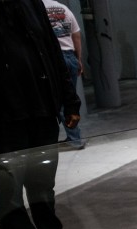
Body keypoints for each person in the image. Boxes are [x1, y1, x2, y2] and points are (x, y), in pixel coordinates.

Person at [0, 0, 94, 229]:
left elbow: (53, 52)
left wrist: (70, 100)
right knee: (9, 190)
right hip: (2, 118)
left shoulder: (31, 4)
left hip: (41, 110)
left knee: (42, 183)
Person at [43, 0, 86, 150]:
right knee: (70, 97)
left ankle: (74, 139)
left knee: (56, 100)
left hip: (51, 58)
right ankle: (74, 137)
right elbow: (76, 36)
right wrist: (78, 59)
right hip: (69, 56)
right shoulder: (64, 9)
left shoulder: (37, 8)